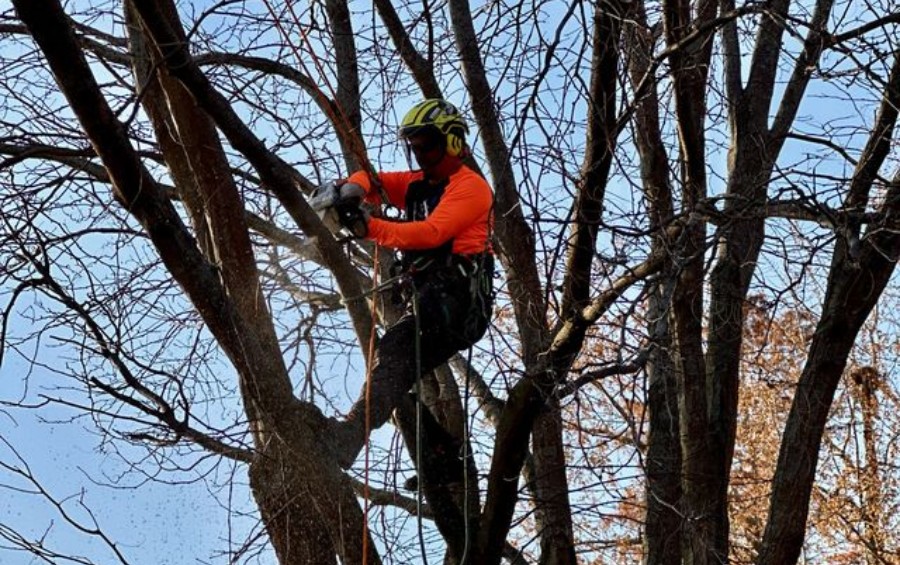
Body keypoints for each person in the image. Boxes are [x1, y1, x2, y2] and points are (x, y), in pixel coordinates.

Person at [325, 99, 494, 469]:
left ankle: (350, 437)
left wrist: (369, 228)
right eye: (413, 146)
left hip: (458, 305)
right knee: (390, 364)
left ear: (452, 141)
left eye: (426, 144)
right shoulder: (418, 185)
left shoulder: (471, 187)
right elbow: (374, 179)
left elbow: (432, 233)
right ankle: (442, 454)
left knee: (394, 357)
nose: (419, 154)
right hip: (430, 302)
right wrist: (351, 189)